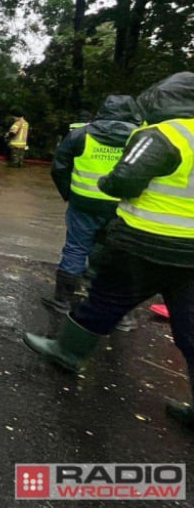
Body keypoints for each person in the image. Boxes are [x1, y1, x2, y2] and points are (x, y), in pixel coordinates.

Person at [24, 71, 194, 434]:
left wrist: (95, 187)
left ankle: (67, 351)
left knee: (103, 297)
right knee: (191, 327)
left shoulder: (165, 134)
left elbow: (124, 180)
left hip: (144, 242)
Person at [44, 95, 140, 313]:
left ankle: (62, 300)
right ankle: (107, 304)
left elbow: (59, 168)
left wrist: (69, 193)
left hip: (83, 204)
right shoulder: (140, 138)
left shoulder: (80, 135)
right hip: (122, 206)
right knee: (113, 251)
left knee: (76, 248)